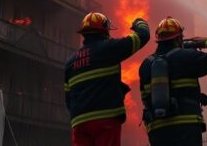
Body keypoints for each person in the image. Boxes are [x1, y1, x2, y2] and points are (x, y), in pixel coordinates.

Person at [139, 16, 207, 146]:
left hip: (157, 131)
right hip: (186, 129)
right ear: (179, 38)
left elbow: (145, 98)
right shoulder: (187, 57)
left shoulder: (145, 65)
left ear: (159, 40)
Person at [64, 12, 150, 146]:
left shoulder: (70, 62)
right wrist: (139, 23)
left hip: (79, 123)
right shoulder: (108, 48)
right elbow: (143, 36)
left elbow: (68, 98)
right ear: (104, 32)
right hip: (105, 119)